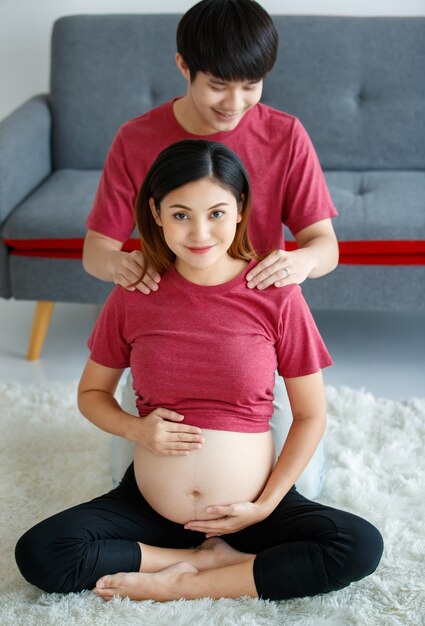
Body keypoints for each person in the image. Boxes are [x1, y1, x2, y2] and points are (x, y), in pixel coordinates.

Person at [15, 140, 382, 602]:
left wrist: (263, 505)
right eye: (181, 214)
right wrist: (137, 429)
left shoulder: (275, 293)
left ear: (240, 209)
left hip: (251, 511)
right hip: (149, 509)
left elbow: (311, 415)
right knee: (41, 553)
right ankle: (200, 561)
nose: (200, 232)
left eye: (217, 213)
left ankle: (188, 584)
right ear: (156, 212)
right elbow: (91, 394)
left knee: (358, 545)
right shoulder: (135, 292)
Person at [82, 0, 339, 497]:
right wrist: (122, 265)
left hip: (252, 337)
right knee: (127, 482)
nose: (235, 102)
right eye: (218, 85)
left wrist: (300, 262)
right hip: (166, 332)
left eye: (250, 86)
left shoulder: (285, 135)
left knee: (300, 486)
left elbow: (323, 244)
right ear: (184, 65)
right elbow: (97, 248)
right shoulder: (135, 139)